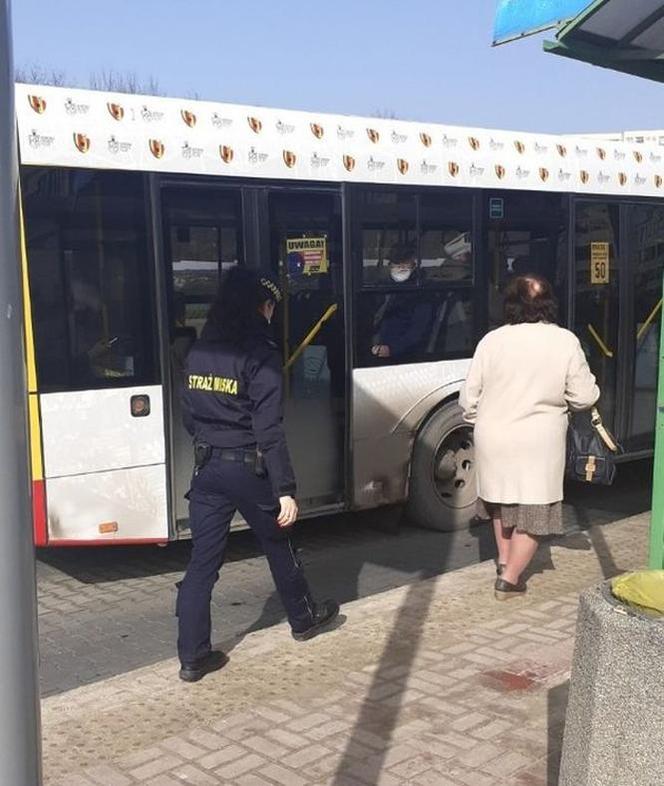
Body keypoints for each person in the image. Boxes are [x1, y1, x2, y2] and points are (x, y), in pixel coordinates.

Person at [177, 268, 340, 682]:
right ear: (260, 307)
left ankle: (193, 657)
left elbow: (189, 415)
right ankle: (304, 620)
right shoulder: (260, 355)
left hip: (207, 469)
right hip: (247, 468)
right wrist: (285, 489)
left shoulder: (198, 351)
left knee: (201, 565)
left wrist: (209, 441)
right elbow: (269, 428)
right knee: (278, 542)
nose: (271, 313)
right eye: (269, 305)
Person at [460, 275, 599, 600]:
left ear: (509, 304)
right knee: (537, 512)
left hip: (493, 435)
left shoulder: (491, 341)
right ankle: (510, 578)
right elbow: (583, 396)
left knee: (501, 502)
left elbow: (468, 400)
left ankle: (503, 560)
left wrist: (482, 421)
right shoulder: (564, 341)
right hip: (539, 440)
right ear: (549, 302)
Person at [371, 243, 434, 361]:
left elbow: (418, 331)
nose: (400, 268)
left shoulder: (422, 292)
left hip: (403, 356)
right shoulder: (384, 287)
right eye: (396, 264)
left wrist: (392, 349)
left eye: (405, 264)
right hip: (377, 348)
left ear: (414, 265)